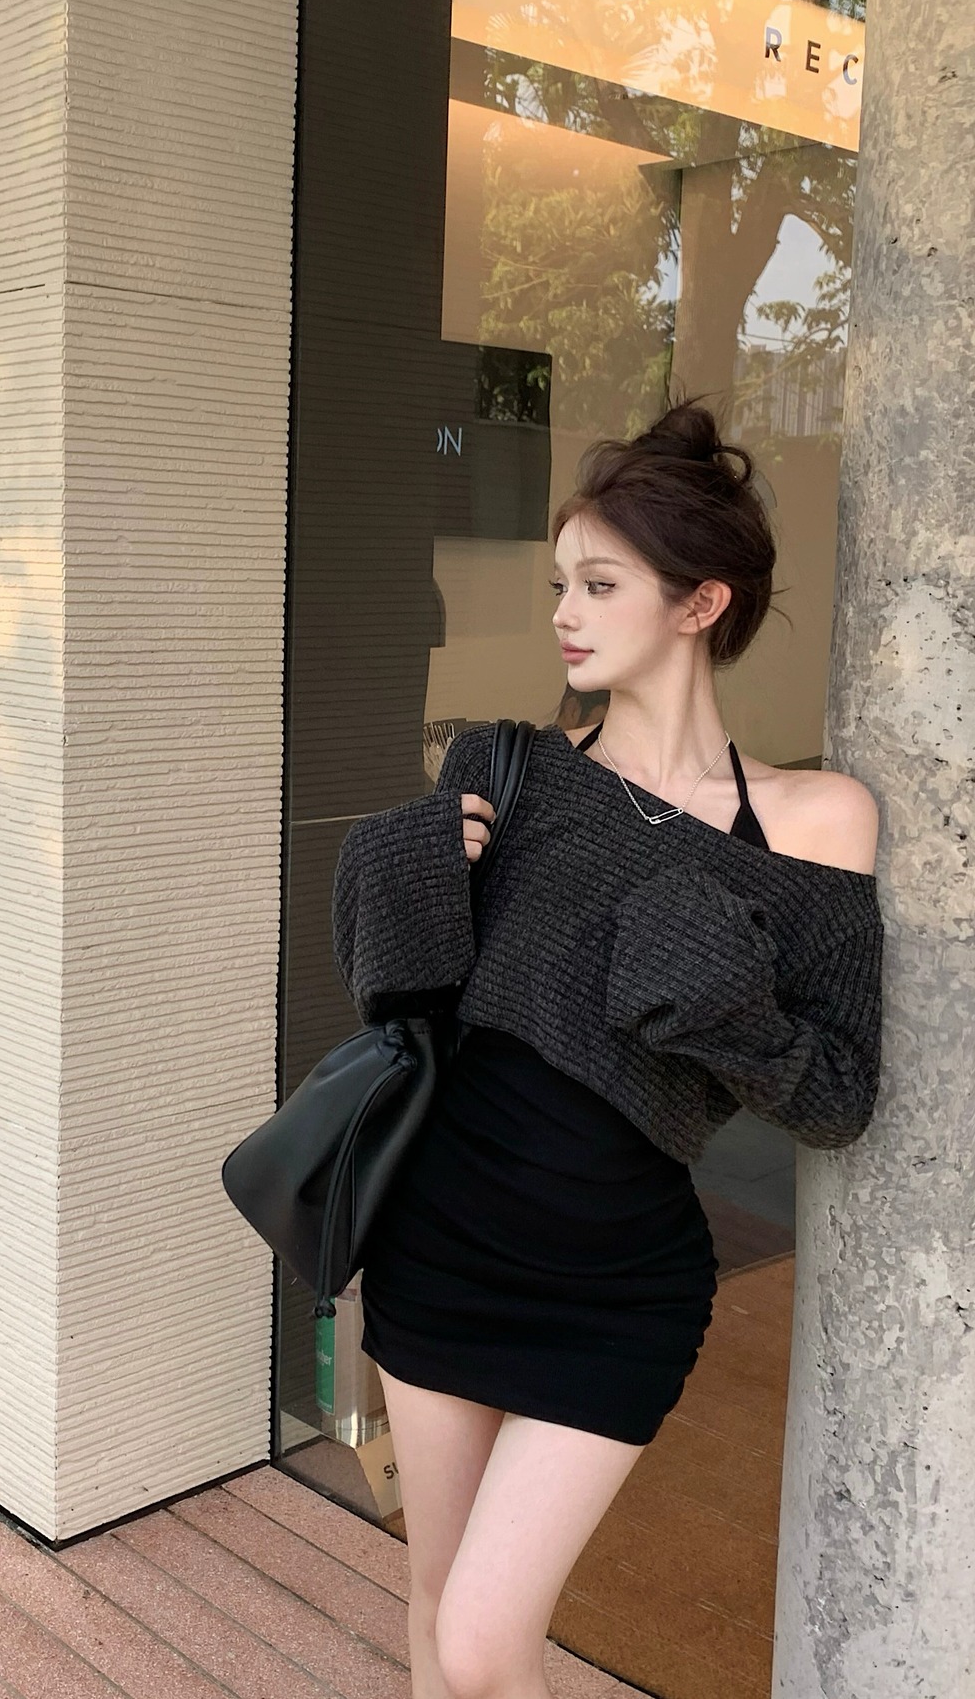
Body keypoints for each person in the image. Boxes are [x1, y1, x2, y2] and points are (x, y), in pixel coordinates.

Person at [330, 396, 885, 1699]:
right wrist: (413, 872)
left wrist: (720, 1007)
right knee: (437, 1610)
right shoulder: (510, 767)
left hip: (614, 1285)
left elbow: (840, 1095)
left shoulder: (814, 821)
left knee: (486, 1642)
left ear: (700, 603)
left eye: (599, 584)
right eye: (559, 584)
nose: (565, 614)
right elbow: (400, 997)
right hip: (439, 1239)